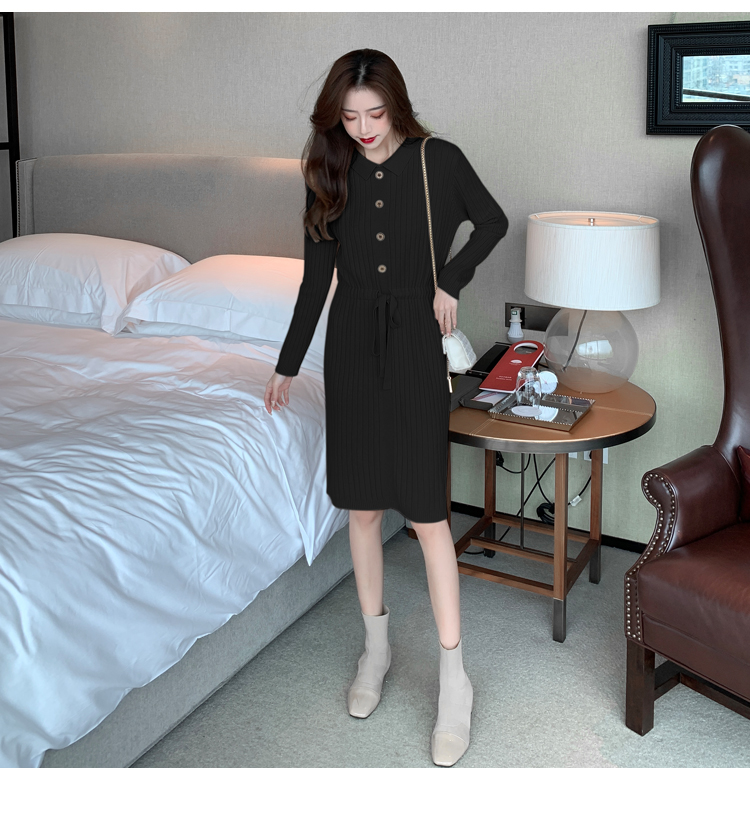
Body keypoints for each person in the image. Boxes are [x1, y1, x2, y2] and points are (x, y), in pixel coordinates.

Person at [264, 48, 508, 767]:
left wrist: (450, 280)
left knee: (428, 517)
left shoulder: (438, 160)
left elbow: (492, 221)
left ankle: (454, 679)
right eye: (350, 117)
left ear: (396, 106)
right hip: (349, 347)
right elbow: (315, 282)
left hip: (413, 347)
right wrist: (286, 364)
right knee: (362, 510)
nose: (364, 128)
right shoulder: (328, 172)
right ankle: (376, 649)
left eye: (375, 114)